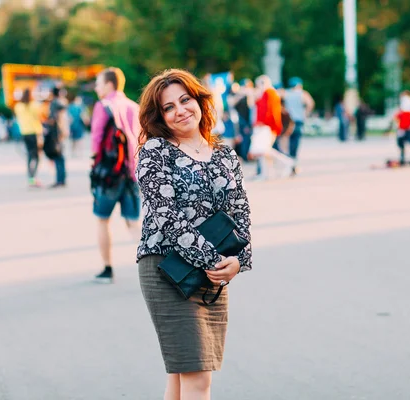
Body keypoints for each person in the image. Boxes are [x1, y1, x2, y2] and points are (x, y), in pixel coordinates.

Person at [136, 69, 252, 400]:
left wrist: (238, 262)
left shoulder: (225, 152)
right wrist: (215, 260)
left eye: (185, 100)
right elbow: (164, 216)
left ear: (199, 100)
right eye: (168, 107)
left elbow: (240, 212)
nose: (180, 110)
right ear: (160, 117)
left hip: (213, 273)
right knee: (196, 376)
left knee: (183, 374)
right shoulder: (155, 151)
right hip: (168, 269)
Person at [90, 67, 141, 282]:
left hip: (110, 174)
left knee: (102, 220)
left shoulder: (103, 106)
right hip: (133, 172)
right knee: (133, 223)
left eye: (99, 83)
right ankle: (157, 267)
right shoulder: (134, 107)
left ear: (109, 84)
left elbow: (96, 139)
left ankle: (107, 268)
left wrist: (95, 164)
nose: (96, 87)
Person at [249, 75, 294, 180]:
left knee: (263, 150)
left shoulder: (269, 93)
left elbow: (268, 110)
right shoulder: (268, 93)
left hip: (266, 126)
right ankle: (267, 173)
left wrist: (264, 123)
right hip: (265, 125)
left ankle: (286, 162)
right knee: (264, 152)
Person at [283, 77, 314, 174]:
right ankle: (293, 164)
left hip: (288, 122)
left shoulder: (285, 93)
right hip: (298, 121)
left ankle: (290, 164)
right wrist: (305, 113)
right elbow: (310, 103)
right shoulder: (302, 93)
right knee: (295, 144)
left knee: (287, 144)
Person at [14, 89, 44, 188]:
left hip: (24, 132)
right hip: (35, 132)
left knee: (30, 155)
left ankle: (30, 177)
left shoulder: (18, 106)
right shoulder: (34, 105)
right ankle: (33, 177)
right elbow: (39, 117)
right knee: (37, 156)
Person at [46, 87, 68, 188]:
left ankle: (60, 180)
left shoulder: (54, 103)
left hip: (55, 134)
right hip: (61, 133)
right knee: (60, 157)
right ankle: (62, 179)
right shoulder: (61, 103)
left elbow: (52, 119)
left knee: (58, 157)